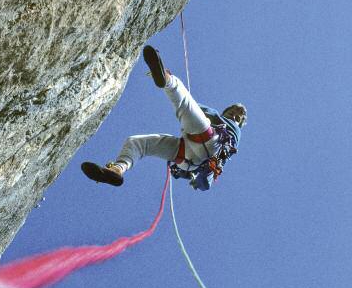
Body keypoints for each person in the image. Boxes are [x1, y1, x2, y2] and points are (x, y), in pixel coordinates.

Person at [81, 45, 247, 191]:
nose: (235, 115)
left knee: (179, 93)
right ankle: (117, 169)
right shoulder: (213, 115)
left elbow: (196, 108)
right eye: (233, 111)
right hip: (189, 158)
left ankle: (166, 79)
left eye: (238, 116)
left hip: (211, 142)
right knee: (138, 143)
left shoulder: (233, 130)